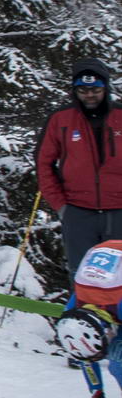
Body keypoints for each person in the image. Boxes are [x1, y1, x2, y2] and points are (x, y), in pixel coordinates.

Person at [36, 59, 122, 278]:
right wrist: (61, 205)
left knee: (119, 274)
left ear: (106, 88)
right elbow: (43, 162)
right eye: (83, 90)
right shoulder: (61, 119)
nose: (89, 95)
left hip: (119, 209)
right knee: (83, 273)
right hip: (78, 211)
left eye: (95, 89)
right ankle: (82, 312)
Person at [57, 239, 122, 398]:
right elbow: (87, 359)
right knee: (116, 361)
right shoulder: (72, 315)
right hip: (108, 293)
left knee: (118, 360)